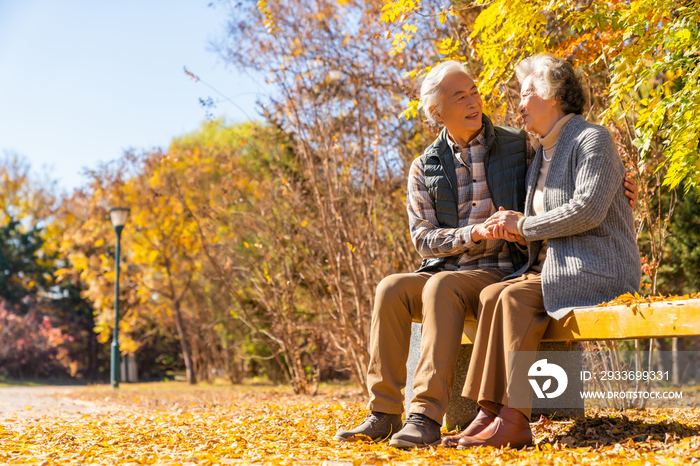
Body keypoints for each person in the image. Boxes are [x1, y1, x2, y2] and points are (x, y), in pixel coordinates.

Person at [333, 60, 637, 448]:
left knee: (445, 288)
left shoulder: (517, 145)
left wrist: (622, 187)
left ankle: (425, 415)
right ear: (436, 112)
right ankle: (385, 412)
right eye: (460, 97)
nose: (474, 101)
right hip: (448, 265)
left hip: (501, 268)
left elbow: (573, 174)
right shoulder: (424, 168)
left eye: (474, 92)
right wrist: (471, 233)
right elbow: (423, 239)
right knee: (391, 288)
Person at [441, 54, 642, 449]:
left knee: (512, 297)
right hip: (555, 268)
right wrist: (514, 227)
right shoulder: (541, 155)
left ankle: (515, 417)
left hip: (598, 266)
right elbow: (546, 220)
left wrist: (525, 225)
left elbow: (587, 209)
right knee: (492, 294)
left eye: (526, 92)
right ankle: (489, 410)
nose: (519, 103)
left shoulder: (591, 139)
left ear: (552, 94)